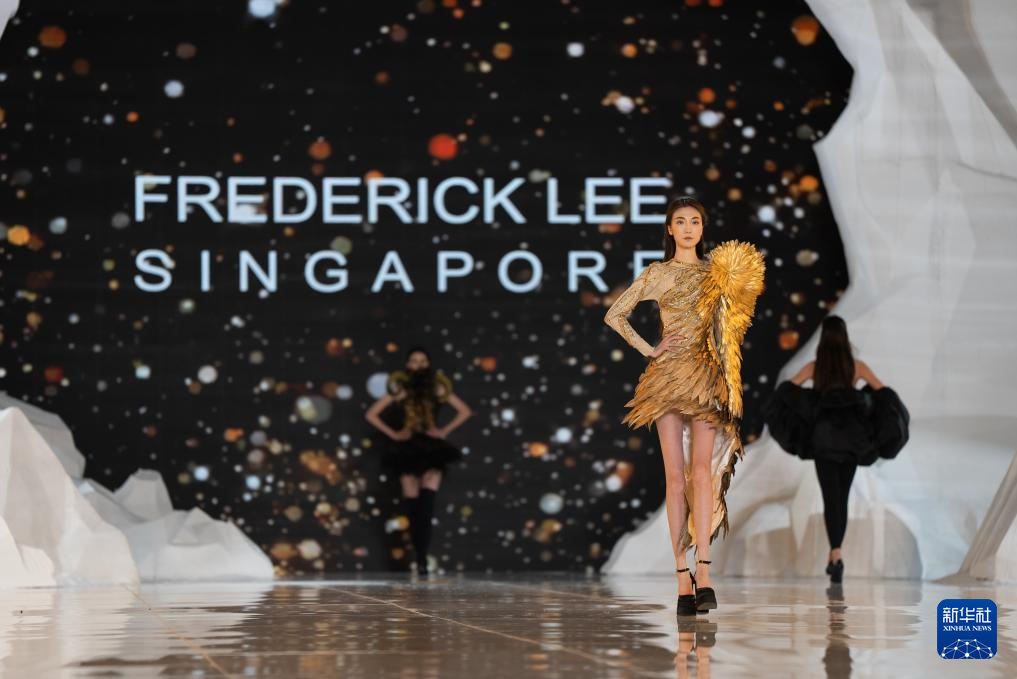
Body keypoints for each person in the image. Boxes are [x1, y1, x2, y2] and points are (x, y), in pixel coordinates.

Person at [604, 196, 765, 617]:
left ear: (702, 228)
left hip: (705, 378)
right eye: (681, 221)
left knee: (701, 473)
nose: (689, 228)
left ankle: (705, 571)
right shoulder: (657, 274)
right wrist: (649, 349)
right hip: (666, 379)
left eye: (695, 221)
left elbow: (732, 327)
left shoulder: (716, 273)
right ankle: (681, 576)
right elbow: (615, 315)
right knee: (675, 478)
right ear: (670, 229)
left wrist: (729, 377)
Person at [764, 315, 909, 583]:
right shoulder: (857, 367)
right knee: (841, 497)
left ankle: (836, 555)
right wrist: (869, 403)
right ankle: (836, 555)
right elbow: (885, 393)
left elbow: (787, 390)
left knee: (831, 497)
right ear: (844, 338)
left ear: (823, 339)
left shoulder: (815, 367)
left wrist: (807, 404)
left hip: (824, 441)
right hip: (853, 440)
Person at [365, 347, 473, 575]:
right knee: (413, 507)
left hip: (433, 449)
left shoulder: (437, 388)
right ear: (407, 364)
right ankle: (420, 557)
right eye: (414, 360)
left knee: (427, 505)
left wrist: (444, 431)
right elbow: (371, 414)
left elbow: (464, 411)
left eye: (422, 360)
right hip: (407, 450)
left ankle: (422, 558)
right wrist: (394, 434)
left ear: (428, 364)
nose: (418, 365)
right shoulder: (400, 390)